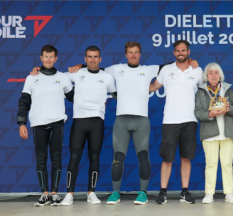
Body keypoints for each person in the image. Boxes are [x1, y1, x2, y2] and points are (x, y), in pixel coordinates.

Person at [67, 42, 198, 205]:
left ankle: (142, 193)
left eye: (136, 52)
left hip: (142, 120)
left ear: (140, 54)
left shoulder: (148, 69)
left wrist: (190, 59)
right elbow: (94, 68)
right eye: (130, 52)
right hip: (121, 120)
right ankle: (115, 193)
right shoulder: (116, 69)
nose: (133, 55)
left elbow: (174, 63)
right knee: (118, 157)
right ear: (126, 54)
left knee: (143, 156)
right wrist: (81, 65)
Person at [32, 46, 117, 205]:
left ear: (100, 59)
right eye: (89, 57)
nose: (92, 59)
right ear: (85, 59)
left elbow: (117, 94)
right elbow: (52, 76)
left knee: (95, 158)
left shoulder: (107, 77)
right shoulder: (76, 73)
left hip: (97, 121)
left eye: (95, 57)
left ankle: (91, 193)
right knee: (74, 158)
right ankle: (69, 195)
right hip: (79, 121)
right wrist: (38, 69)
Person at [17, 45, 74, 207]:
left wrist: (96, 98)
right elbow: (24, 102)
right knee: (41, 160)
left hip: (57, 124)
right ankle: (44, 194)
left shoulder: (63, 77)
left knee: (56, 160)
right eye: (45, 57)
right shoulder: (31, 78)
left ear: (56, 59)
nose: (48, 59)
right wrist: (22, 123)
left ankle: (55, 194)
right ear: (41, 58)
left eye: (51, 57)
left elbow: (74, 97)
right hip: (38, 125)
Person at [149, 40, 203, 204]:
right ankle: (163, 192)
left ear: (188, 51)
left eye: (183, 50)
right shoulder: (166, 70)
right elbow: (152, 87)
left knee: (186, 158)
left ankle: (184, 192)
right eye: (177, 51)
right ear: (174, 53)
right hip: (170, 120)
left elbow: (203, 92)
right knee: (167, 158)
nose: (180, 53)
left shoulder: (198, 70)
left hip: (190, 120)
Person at [194, 62, 233, 204]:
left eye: (216, 72)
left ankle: (229, 193)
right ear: (206, 75)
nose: (213, 75)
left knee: (227, 164)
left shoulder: (228, 89)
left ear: (220, 75)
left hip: (227, 133)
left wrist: (229, 109)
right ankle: (209, 193)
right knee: (211, 164)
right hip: (209, 134)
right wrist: (210, 114)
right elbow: (197, 112)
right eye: (210, 72)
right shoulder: (201, 90)